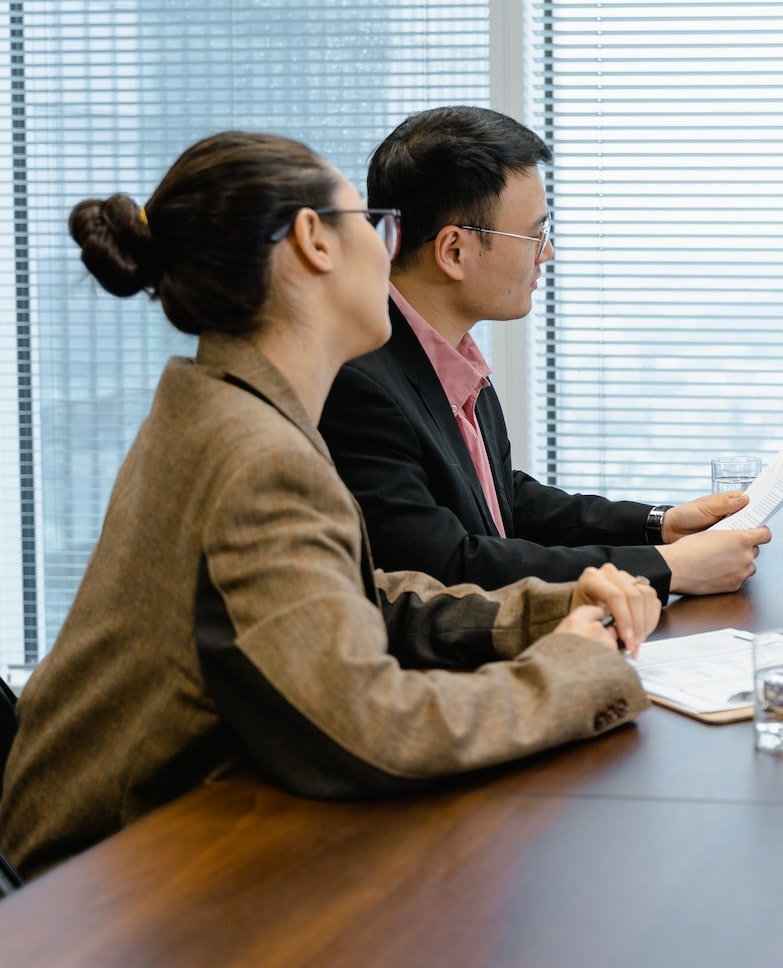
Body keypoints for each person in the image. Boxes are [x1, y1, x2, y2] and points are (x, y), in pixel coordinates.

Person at [0, 133, 658, 880]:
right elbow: (376, 726)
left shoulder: (222, 407)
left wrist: (547, 610)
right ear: (314, 241)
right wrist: (572, 672)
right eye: (373, 227)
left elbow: (344, 604)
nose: (390, 256)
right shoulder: (258, 454)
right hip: (102, 887)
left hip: (135, 844)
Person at [318, 106, 768, 600]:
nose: (546, 253)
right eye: (535, 234)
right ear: (453, 251)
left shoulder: (448, 352)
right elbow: (445, 565)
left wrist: (659, 524)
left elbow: (502, 500)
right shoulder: (358, 380)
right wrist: (664, 568)